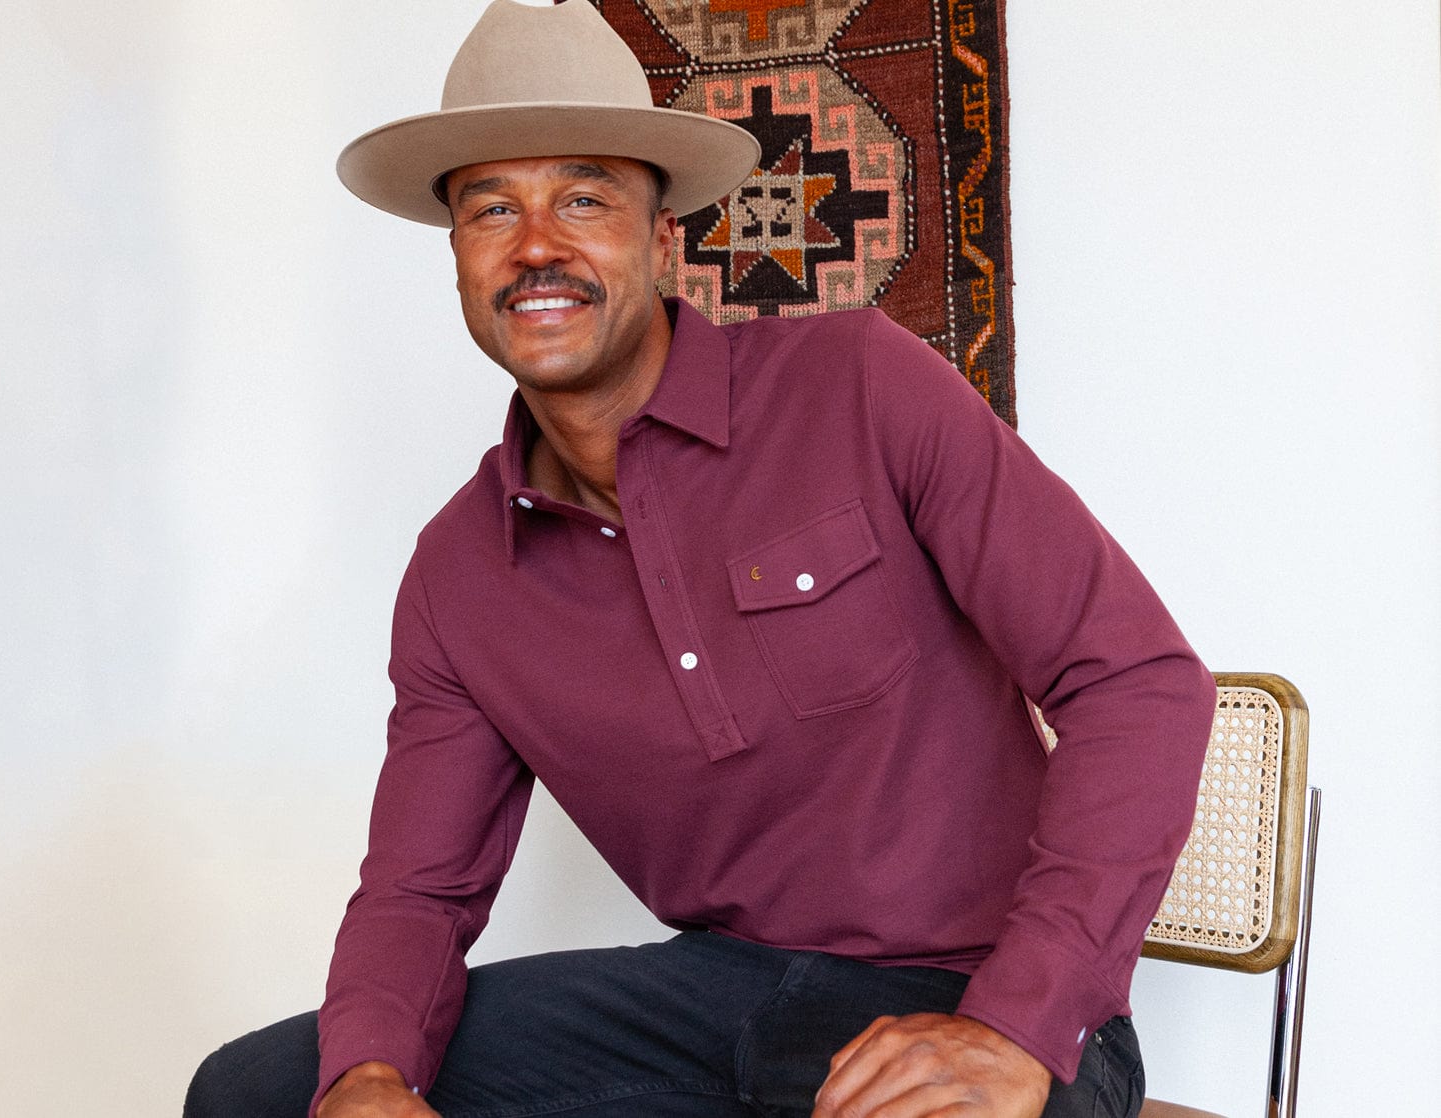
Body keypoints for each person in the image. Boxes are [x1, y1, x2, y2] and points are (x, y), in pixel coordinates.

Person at [186, 2, 1217, 1116]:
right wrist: (370, 1077)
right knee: (260, 1092)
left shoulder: (862, 384)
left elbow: (1139, 683)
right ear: (459, 261)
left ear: (665, 241)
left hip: (975, 987)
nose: (537, 244)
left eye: (585, 198)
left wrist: (1018, 1021)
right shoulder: (456, 573)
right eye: (492, 208)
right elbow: (419, 890)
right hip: (715, 997)